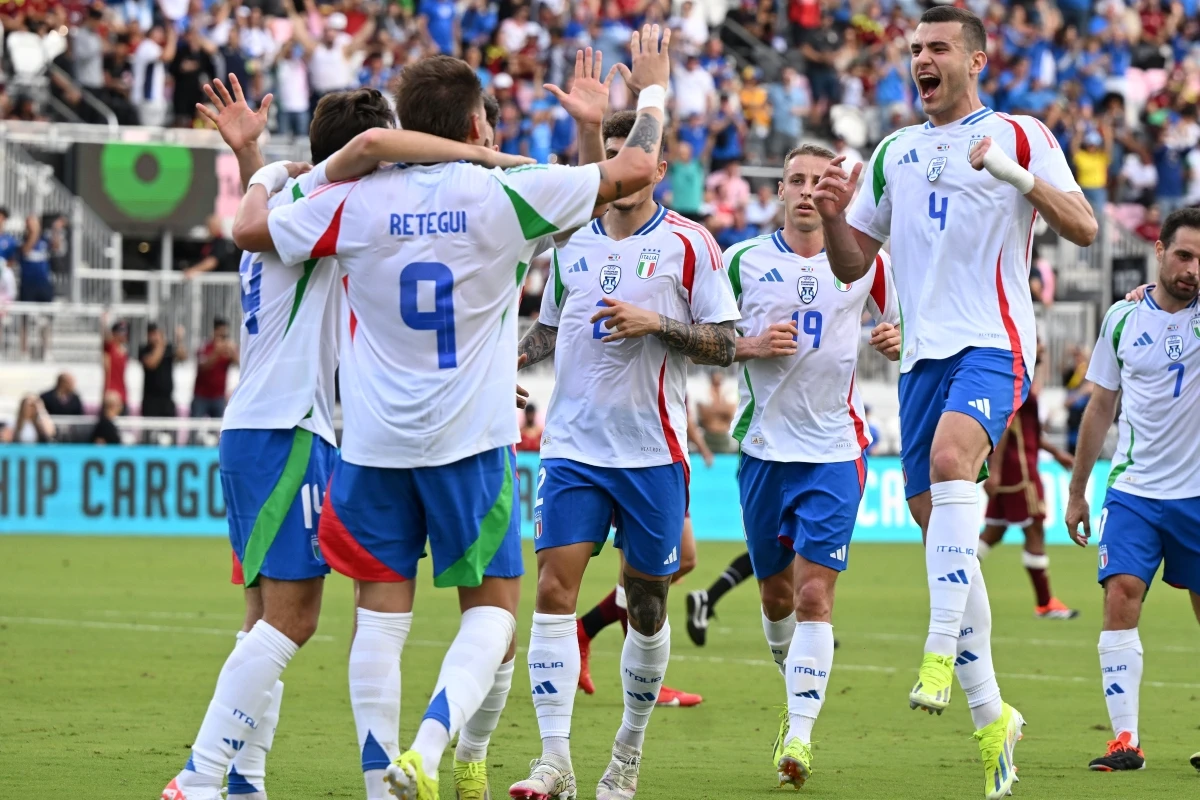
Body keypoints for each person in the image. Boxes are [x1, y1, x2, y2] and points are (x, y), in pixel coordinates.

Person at [229, 33, 668, 800]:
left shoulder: (355, 199)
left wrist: (264, 165)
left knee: (379, 620)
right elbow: (631, 174)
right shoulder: (504, 192)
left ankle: (377, 781)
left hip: (370, 445)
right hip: (469, 438)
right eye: (489, 129)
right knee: (495, 612)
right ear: (472, 128)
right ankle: (429, 748)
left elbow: (255, 234)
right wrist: (650, 95)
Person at [161, 73, 531, 800]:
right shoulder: (331, 203)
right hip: (288, 428)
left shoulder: (296, 205)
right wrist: (486, 161)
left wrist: (253, 158)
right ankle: (200, 774)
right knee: (292, 621)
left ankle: (245, 779)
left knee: (263, 619)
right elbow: (373, 175)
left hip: (265, 426)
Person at [813, 7, 1097, 798]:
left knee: (949, 464)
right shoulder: (894, 151)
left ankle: (936, 650)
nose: (922, 60)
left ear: (977, 58)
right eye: (916, 50)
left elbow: (1081, 223)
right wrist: (836, 217)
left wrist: (1016, 176)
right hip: (922, 358)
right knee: (942, 531)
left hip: (995, 342)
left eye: (938, 48)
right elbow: (849, 268)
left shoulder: (1021, 131)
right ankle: (992, 716)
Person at [510, 66, 736, 800]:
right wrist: (489, 366)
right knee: (551, 587)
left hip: (652, 452)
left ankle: (626, 754)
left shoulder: (691, 244)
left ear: (658, 168)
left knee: (647, 602)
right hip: (573, 447)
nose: (618, 173)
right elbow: (546, 335)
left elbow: (727, 343)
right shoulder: (569, 240)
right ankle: (555, 760)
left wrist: (657, 324)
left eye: (628, 158)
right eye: (605, 158)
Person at [718, 143, 900, 787]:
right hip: (764, 451)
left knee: (814, 595)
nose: (803, 191)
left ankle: (798, 736)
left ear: (837, 192)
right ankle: (793, 687)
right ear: (777, 192)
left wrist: (897, 337)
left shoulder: (864, 262)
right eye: (793, 180)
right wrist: (750, 344)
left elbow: (907, 328)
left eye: (816, 181)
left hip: (834, 451)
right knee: (774, 598)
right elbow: (700, 345)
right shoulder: (741, 261)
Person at [1065, 207, 1200, 774]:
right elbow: (1101, 406)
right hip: (1134, 490)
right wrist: (1077, 493)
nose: (1193, 269)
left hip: (1197, 494)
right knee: (1120, 596)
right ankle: (1126, 740)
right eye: (1185, 255)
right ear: (1160, 251)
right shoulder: (1121, 320)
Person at [978, 340, 1079, 619]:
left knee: (993, 531)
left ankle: (953, 580)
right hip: (1019, 472)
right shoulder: (1016, 382)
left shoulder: (1022, 380)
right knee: (1034, 529)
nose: (1042, 347)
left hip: (1019, 467)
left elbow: (1030, 431)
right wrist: (994, 470)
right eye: (1037, 343)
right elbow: (1005, 428)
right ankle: (1045, 603)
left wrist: (1056, 453)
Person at [139, 323, 188, 437]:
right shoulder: (144, 349)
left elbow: (183, 357)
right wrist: (160, 346)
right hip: (150, 401)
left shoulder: (169, 348)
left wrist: (179, 340)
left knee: (170, 434)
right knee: (149, 435)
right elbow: (152, 363)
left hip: (167, 400)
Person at [191, 318, 238, 420]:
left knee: (219, 429)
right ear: (214, 332)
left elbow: (238, 364)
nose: (223, 338)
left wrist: (233, 352)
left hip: (219, 397)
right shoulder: (205, 346)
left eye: (225, 336)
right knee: (194, 428)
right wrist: (216, 353)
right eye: (221, 335)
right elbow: (202, 366)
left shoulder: (228, 349)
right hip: (201, 396)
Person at [101, 316, 129, 413]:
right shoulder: (110, 348)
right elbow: (105, 337)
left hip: (122, 394)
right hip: (111, 394)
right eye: (121, 331)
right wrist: (104, 323)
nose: (124, 334)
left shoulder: (124, 351)